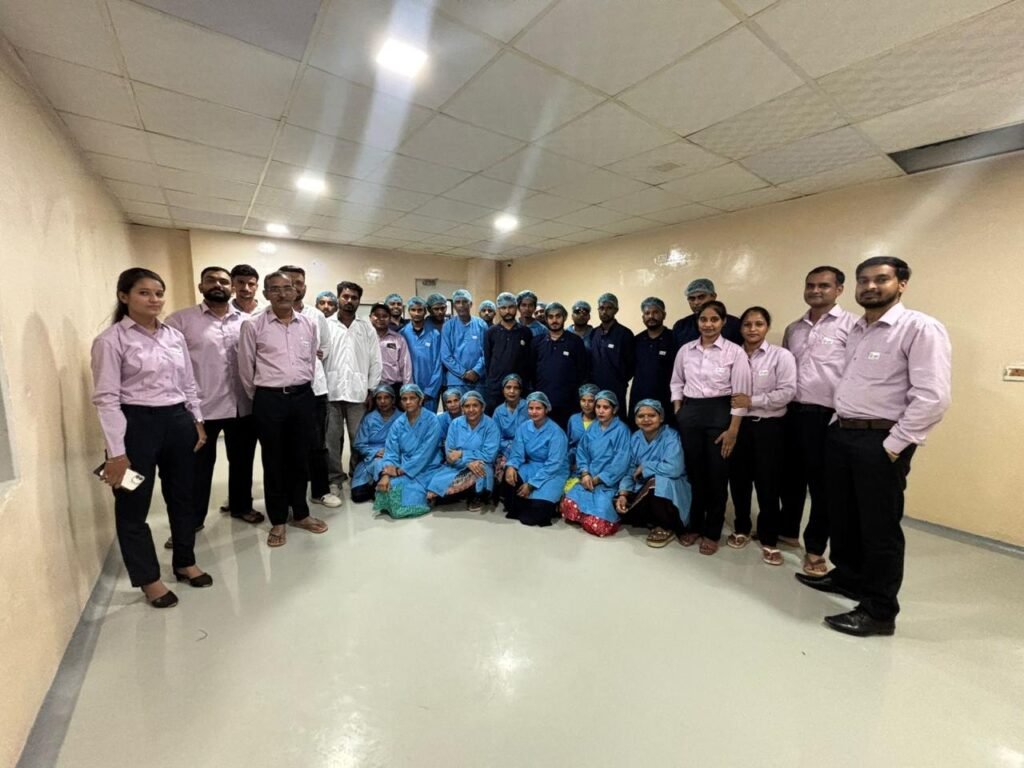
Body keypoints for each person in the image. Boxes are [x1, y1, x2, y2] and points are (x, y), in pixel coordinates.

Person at [796, 256, 951, 637]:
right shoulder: (858, 330)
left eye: (881, 279)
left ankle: (880, 611)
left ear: (902, 284)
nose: (870, 287)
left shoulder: (919, 328)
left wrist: (894, 445)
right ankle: (848, 577)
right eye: (864, 280)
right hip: (843, 432)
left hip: (881, 439)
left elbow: (933, 397)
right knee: (843, 515)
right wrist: (837, 424)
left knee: (879, 526)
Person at [91, 268, 211, 608]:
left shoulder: (174, 336)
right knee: (133, 503)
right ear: (124, 296)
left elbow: (188, 383)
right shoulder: (111, 341)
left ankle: (185, 561)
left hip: (177, 421)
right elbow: (107, 399)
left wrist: (197, 421)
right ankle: (149, 579)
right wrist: (117, 453)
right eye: (144, 293)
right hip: (135, 426)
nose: (154, 299)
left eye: (158, 293)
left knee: (183, 495)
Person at [164, 265, 262, 553]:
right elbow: (171, 366)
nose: (218, 285)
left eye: (223, 281)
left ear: (231, 288)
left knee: (242, 461)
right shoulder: (181, 321)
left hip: (242, 405)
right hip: (200, 410)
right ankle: (191, 522)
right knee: (197, 469)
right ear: (201, 286)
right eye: (211, 280)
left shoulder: (247, 322)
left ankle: (241, 506)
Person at [239, 271, 329, 547]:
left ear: (295, 291)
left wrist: (301, 390)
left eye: (287, 288)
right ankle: (278, 519)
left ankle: (300, 513)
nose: (282, 293)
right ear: (265, 294)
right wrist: (264, 396)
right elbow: (245, 369)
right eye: (275, 289)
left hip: (302, 397)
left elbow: (311, 361)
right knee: (274, 460)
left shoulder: (308, 323)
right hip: (270, 399)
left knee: (300, 458)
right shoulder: (253, 325)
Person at [780, 266, 857, 575]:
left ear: (839, 289)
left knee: (823, 486)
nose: (815, 290)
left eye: (823, 285)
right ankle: (787, 532)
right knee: (790, 478)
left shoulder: (853, 326)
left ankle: (814, 549)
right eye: (810, 285)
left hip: (827, 415)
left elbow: (855, 373)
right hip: (791, 412)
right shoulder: (794, 329)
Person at [671, 300, 752, 555]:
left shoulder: (734, 352)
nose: (708, 324)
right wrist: (679, 410)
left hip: (720, 413)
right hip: (691, 413)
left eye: (714, 319)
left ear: (723, 322)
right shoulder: (686, 350)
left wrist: (733, 430)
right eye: (703, 319)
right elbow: (676, 382)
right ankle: (695, 525)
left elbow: (740, 394)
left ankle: (712, 531)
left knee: (717, 475)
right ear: (698, 322)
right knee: (695, 474)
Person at [727, 307, 797, 565]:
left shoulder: (781, 356)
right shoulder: (732, 355)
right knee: (739, 480)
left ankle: (769, 538)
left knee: (769, 484)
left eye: (758, 324)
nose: (752, 329)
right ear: (740, 328)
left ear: (767, 327)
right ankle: (742, 528)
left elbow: (787, 392)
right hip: (738, 426)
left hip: (769, 428)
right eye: (747, 324)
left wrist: (752, 401)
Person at [279, 265, 339, 509]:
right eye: (289, 283)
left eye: (299, 283)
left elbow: (324, 349)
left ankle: (320, 491)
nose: (295, 287)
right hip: (282, 392)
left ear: (304, 287)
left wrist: (310, 358)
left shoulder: (316, 316)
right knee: (285, 446)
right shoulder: (264, 317)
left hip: (315, 390)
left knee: (317, 443)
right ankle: (288, 494)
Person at [324, 280, 381, 495]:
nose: (349, 301)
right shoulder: (326, 325)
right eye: (345, 296)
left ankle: (357, 474)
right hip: (331, 391)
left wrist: (371, 389)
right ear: (338, 298)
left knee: (359, 438)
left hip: (358, 393)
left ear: (359, 301)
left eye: (354, 298)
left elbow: (376, 360)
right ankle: (334, 478)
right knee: (331, 439)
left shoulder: (366, 328)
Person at [615, 400, 692, 548]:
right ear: (635, 419)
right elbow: (630, 469)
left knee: (658, 483)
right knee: (614, 502)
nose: (646, 419)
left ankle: (666, 525)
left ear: (661, 417)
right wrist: (623, 493)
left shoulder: (670, 437)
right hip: (642, 486)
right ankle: (650, 519)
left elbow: (675, 468)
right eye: (641, 416)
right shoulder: (636, 438)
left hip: (671, 487)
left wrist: (646, 467)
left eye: (652, 415)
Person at [560, 390, 631, 537]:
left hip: (608, 482)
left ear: (614, 409)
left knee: (599, 526)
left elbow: (621, 462)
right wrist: (585, 473)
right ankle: (586, 515)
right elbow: (582, 452)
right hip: (588, 479)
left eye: (606, 407)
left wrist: (598, 479)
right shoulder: (593, 427)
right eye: (598, 407)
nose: (601, 411)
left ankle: (593, 515)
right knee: (567, 506)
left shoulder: (622, 430)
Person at [374, 384, 443, 518]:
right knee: (387, 488)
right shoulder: (398, 423)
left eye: (412, 398)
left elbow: (425, 453)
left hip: (427, 467)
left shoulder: (432, 420)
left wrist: (401, 470)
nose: (408, 402)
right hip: (403, 466)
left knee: (400, 500)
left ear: (420, 400)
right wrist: (387, 474)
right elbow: (391, 450)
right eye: (404, 399)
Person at [501, 392, 569, 527]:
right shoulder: (523, 428)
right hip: (532, 466)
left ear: (546, 409)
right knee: (509, 479)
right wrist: (511, 466)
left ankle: (551, 504)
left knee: (532, 516)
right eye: (531, 408)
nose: (534, 412)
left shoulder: (556, 432)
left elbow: (554, 464)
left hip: (553, 471)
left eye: (538, 408)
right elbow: (517, 453)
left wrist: (531, 484)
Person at [426, 391, 500, 512]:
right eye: (467, 406)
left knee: (480, 470)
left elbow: (489, 455)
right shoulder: (455, 424)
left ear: (482, 407)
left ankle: (476, 496)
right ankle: (462, 494)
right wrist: (467, 462)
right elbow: (450, 455)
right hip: (457, 465)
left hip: (481, 464)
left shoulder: (491, 425)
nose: (471, 410)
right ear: (462, 408)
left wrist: (462, 454)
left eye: (475, 405)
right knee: (435, 486)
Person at [531, 302, 588, 428]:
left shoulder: (575, 342)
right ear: (546, 319)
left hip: (568, 404)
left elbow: (582, 372)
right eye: (551, 317)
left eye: (558, 316)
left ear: (565, 317)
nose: (554, 320)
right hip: (542, 403)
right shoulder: (537, 342)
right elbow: (531, 371)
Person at [629, 297, 679, 422]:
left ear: (664, 315)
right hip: (640, 397)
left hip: (666, 398)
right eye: (647, 313)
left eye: (655, 312)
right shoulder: (636, 340)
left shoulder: (674, 338)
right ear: (643, 317)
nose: (651, 316)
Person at [482, 291, 533, 414]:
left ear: (516, 308)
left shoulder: (525, 332)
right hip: (496, 387)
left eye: (511, 307)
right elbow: (488, 360)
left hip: (520, 387)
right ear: (498, 309)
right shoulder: (491, 332)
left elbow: (529, 361)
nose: (507, 311)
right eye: (503, 308)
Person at [349, 385, 401, 503]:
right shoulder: (369, 418)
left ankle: (381, 484)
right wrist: (375, 452)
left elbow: (406, 442)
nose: (382, 401)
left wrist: (389, 452)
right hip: (370, 458)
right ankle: (377, 486)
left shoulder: (401, 418)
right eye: (379, 398)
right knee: (358, 496)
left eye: (386, 397)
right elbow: (359, 443)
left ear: (393, 399)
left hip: (393, 456)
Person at [588, 293, 635, 420]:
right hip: (596, 388)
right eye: (601, 308)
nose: (604, 311)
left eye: (609, 308)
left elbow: (631, 365)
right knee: (597, 421)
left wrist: (619, 380)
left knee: (617, 421)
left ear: (616, 310)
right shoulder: (594, 333)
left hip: (616, 388)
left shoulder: (625, 334)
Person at [400, 296, 443, 413]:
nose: (417, 313)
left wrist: (430, 391)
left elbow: (438, 364)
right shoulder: (402, 334)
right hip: (409, 388)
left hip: (430, 390)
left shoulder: (435, 334)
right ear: (408, 311)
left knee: (429, 420)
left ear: (425, 311)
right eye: (413, 310)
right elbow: (401, 364)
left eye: (420, 310)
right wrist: (409, 389)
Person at [440, 289, 487, 396]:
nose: (461, 305)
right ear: (454, 306)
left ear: (470, 304)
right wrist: (463, 373)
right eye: (458, 302)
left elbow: (486, 352)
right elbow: (446, 355)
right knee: (456, 406)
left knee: (477, 406)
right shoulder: (448, 326)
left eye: (465, 302)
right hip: (456, 381)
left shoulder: (481, 325)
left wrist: (476, 371)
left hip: (478, 380)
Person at [672, 278, 742, 347]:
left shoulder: (734, 324)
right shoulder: (681, 326)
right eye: (692, 298)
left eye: (701, 297)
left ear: (713, 296)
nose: (696, 302)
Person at [369, 302, 413, 390]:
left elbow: (405, 366)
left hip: (393, 387)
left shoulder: (398, 339)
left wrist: (407, 389)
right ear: (370, 317)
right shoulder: (363, 338)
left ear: (390, 319)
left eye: (384, 316)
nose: (381, 319)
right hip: (368, 388)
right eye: (377, 315)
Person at [492, 373, 527, 482]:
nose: (512, 391)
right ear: (503, 390)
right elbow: (495, 437)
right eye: (508, 387)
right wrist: (509, 446)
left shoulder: (529, 407)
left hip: (525, 449)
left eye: (516, 388)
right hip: (503, 450)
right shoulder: (498, 411)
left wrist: (517, 447)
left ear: (520, 390)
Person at [566, 383, 599, 474]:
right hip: (573, 466)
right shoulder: (574, 419)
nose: (586, 404)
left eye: (591, 401)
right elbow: (569, 445)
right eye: (583, 400)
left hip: (595, 467)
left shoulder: (601, 422)